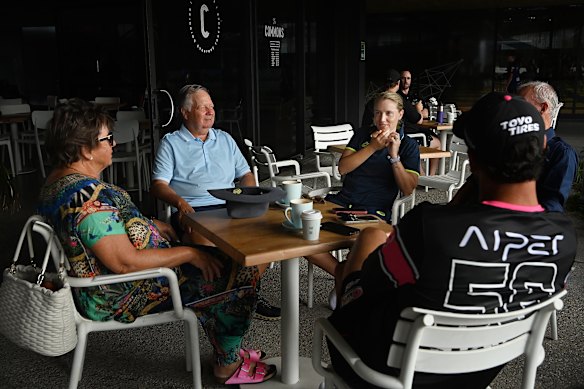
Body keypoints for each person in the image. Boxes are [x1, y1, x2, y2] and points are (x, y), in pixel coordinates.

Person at [328, 92, 576, 388]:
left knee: (367, 245)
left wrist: (348, 272)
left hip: (385, 374)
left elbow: (364, 291)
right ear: (545, 147)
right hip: (478, 373)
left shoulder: (429, 226)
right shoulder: (563, 236)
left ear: (472, 158)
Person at [37, 98, 276, 385]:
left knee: (218, 262)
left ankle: (227, 350)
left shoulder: (58, 183)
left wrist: (151, 225)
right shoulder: (86, 199)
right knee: (240, 269)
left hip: (124, 275)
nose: (113, 144)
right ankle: (227, 363)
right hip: (120, 291)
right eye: (107, 138)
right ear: (86, 150)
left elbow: (107, 233)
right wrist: (188, 254)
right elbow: (124, 262)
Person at [150, 84, 280, 321]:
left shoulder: (225, 139)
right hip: (195, 210)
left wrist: (248, 198)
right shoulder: (171, 143)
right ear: (185, 112)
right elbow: (158, 184)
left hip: (231, 206)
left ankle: (243, 292)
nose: (210, 112)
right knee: (215, 255)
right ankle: (231, 295)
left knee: (266, 242)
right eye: (203, 108)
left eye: (212, 107)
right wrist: (179, 203)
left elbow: (245, 174)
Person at [307, 91, 420, 278]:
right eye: (377, 113)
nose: (381, 119)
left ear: (400, 114)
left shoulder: (408, 146)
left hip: (373, 211)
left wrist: (394, 157)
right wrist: (372, 147)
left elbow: (408, 188)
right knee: (303, 234)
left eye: (388, 113)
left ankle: (345, 279)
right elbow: (343, 168)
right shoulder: (361, 135)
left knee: (360, 253)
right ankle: (343, 276)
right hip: (340, 203)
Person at [451, 81, 578, 213]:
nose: (514, 107)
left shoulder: (562, 153)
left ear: (543, 108)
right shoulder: (507, 136)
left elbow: (553, 206)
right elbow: (474, 181)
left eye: (522, 102)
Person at [399, 69, 441, 175]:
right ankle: (423, 177)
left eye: (408, 78)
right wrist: (417, 111)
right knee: (437, 143)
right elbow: (418, 118)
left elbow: (426, 112)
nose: (406, 81)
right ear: (399, 80)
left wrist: (418, 112)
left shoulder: (415, 95)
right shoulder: (399, 97)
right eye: (403, 78)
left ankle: (430, 176)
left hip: (415, 130)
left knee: (436, 140)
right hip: (410, 133)